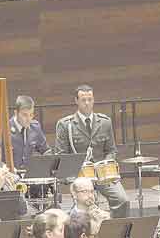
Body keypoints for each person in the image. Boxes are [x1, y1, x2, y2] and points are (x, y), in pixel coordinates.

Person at [55, 85, 129, 218]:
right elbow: (61, 155)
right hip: (80, 174)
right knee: (88, 204)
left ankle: (115, 230)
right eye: (83, 100)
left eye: (90, 99)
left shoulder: (105, 122)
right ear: (76, 101)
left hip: (103, 174)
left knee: (122, 200)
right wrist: (75, 175)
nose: (87, 103)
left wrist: (106, 166)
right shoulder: (66, 125)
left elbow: (111, 150)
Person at [9, 95, 48, 170]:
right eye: (25, 115)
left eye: (31, 115)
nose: (28, 119)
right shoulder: (4, 129)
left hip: (29, 175)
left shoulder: (35, 127)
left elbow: (46, 151)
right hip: (10, 177)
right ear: (16, 113)